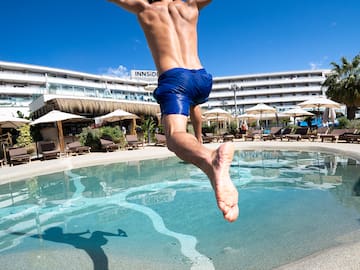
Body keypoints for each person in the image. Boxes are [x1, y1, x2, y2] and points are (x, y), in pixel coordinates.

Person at [108, 0, 239, 222]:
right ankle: (201, 146)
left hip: (175, 78)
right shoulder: (190, 5)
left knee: (174, 136)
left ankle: (211, 158)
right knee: (195, 104)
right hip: (201, 77)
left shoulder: (145, 8)